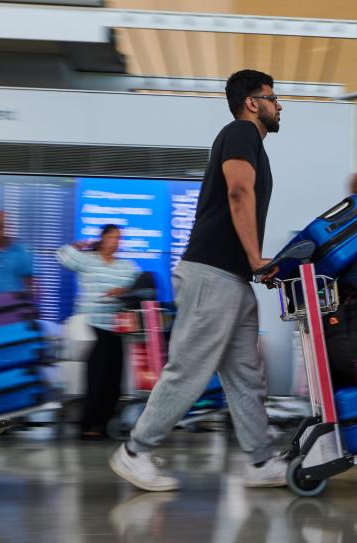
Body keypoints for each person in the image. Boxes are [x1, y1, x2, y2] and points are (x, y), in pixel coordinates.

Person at [109, 69, 286, 491]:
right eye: (274, 98)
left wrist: (252, 266)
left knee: (246, 374)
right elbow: (239, 193)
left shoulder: (251, 143)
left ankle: (260, 460)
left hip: (232, 278)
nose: (279, 107)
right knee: (189, 368)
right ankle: (134, 451)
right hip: (214, 274)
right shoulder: (241, 133)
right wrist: (256, 258)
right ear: (252, 103)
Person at [57, 224, 140, 439]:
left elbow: (140, 287)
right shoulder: (88, 260)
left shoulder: (127, 266)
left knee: (114, 379)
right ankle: (89, 424)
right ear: (102, 238)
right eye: (111, 237)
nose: (115, 241)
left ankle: (104, 423)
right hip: (93, 325)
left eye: (118, 238)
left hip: (117, 327)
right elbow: (62, 256)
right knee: (97, 378)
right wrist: (78, 245)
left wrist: (124, 291)